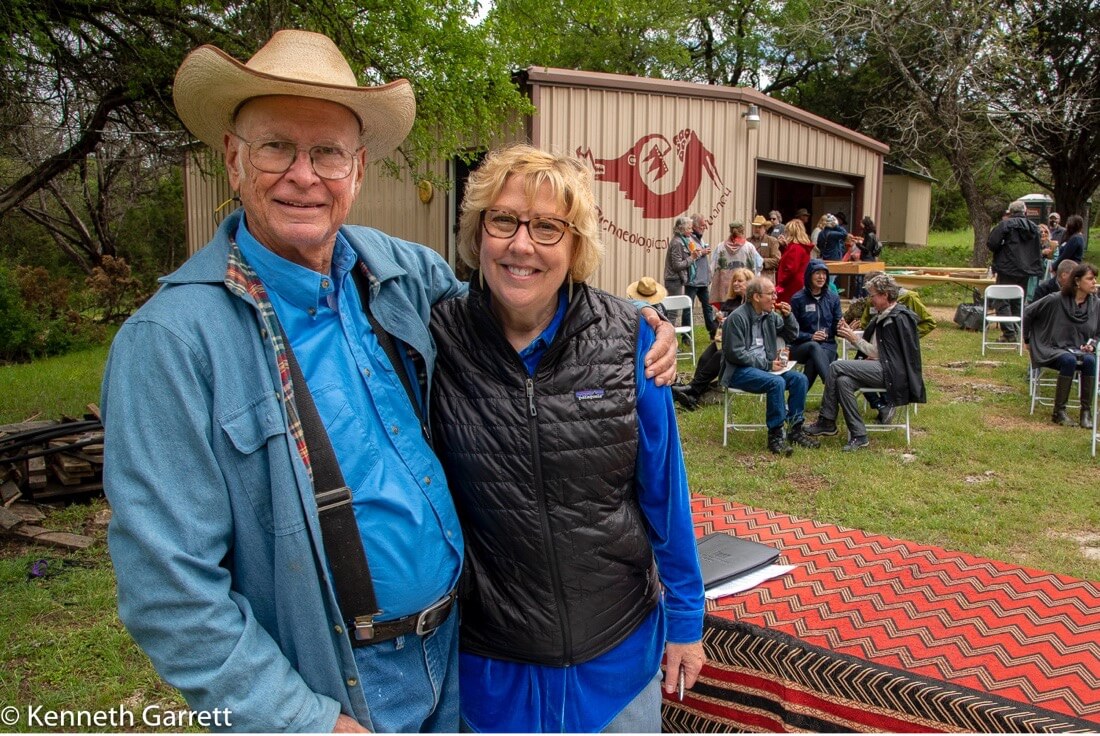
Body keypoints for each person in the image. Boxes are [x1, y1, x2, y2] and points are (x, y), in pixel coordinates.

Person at [100, 31, 677, 734]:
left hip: (457, 658)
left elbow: (523, 287)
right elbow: (171, 592)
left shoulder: (399, 276)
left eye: (328, 153)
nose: (304, 176)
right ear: (233, 159)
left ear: (359, 168)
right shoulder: (171, 343)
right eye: (277, 146)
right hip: (339, 688)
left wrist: (631, 322)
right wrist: (304, 722)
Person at [429, 144, 705, 732]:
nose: (521, 244)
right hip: (490, 670)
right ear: (477, 233)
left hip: (616, 661)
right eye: (502, 220)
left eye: (548, 227)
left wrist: (686, 617)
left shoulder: (630, 338)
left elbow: (664, 492)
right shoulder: (433, 341)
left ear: (576, 245)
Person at [805, 274, 926, 451]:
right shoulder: (885, 315)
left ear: (885, 295)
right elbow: (881, 350)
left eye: (873, 295)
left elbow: (882, 353)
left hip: (892, 374)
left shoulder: (896, 318)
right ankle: (859, 435)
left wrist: (854, 339)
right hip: (882, 368)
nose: (871, 300)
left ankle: (827, 420)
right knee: (843, 381)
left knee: (836, 366)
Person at [722, 277, 818, 455]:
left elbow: (792, 335)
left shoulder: (770, 316)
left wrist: (788, 317)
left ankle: (795, 429)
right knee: (777, 383)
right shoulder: (737, 318)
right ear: (756, 297)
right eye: (771, 294)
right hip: (739, 371)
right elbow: (735, 353)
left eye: (775, 293)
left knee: (799, 379)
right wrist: (767, 365)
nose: (775, 297)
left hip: (765, 369)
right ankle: (775, 435)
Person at [1024, 262, 1100, 428]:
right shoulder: (1056, 299)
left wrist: (1092, 345)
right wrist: (1027, 339)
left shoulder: (1096, 305)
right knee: (1068, 360)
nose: (1094, 282)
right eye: (1090, 279)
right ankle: (1059, 412)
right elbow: (1028, 312)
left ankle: (1085, 413)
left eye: (1095, 278)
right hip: (1052, 348)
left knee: (1090, 361)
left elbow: (1097, 333)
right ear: (1077, 282)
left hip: (1079, 349)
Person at [673, 267, 754, 410]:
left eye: (740, 281)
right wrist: (717, 320)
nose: (735, 284)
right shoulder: (730, 302)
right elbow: (715, 327)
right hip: (724, 340)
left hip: (743, 346)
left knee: (718, 356)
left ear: (749, 283)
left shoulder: (752, 305)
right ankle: (693, 395)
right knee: (704, 358)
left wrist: (728, 321)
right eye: (734, 281)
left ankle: (692, 390)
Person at [986, 199, 1042, 341]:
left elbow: (992, 243)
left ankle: (1009, 333)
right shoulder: (1034, 227)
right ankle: (1018, 331)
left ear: (1010, 212)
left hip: (1007, 267)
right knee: (1018, 299)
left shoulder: (1005, 225)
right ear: (1025, 211)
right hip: (1027, 269)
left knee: (1001, 299)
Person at [788, 260, 840, 390]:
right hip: (801, 347)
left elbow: (836, 327)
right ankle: (833, 389)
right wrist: (811, 336)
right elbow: (791, 331)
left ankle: (795, 403)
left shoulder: (833, 298)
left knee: (813, 361)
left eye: (824, 273)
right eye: (817, 273)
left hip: (827, 346)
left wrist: (843, 327)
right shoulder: (797, 299)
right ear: (809, 275)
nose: (821, 277)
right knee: (813, 346)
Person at [710, 220, 760, 303]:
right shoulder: (749, 247)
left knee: (725, 310)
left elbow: (712, 266)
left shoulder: (720, 247)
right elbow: (758, 265)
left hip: (724, 286)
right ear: (743, 231)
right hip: (743, 286)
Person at [687, 213, 718, 338]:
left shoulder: (700, 238)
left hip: (703, 280)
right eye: (701, 225)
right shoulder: (689, 238)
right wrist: (703, 252)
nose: (704, 227)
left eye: (704, 226)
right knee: (688, 309)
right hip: (693, 280)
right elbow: (691, 254)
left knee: (707, 306)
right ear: (694, 226)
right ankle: (686, 336)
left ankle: (712, 331)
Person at [664, 215, 695, 331]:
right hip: (674, 280)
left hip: (676, 280)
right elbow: (677, 265)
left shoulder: (681, 241)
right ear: (682, 229)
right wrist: (692, 258)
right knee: (672, 312)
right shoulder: (677, 243)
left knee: (673, 312)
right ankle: (669, 340)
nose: (691, 231)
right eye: (689, 229)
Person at [775, 218, 817, 303]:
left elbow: (790, 269)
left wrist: (781, 284)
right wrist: (784, 248)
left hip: (790, 284)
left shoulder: (795, 248)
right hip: (799, 282)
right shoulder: (802, 247)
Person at [749, 214, 783, 283]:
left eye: (759, 227)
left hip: (766, 279)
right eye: (755, 227)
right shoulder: (747, 242)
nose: (757, 229)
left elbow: (777, 260)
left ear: (765, 228)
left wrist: (761, 261)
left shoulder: (772, 241)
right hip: (750, 278)